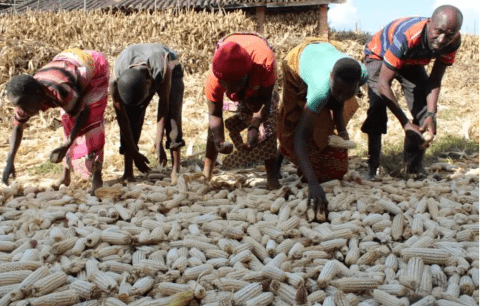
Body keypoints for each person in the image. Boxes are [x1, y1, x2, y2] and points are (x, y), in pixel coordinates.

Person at [361, 5, 463, 179]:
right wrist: (405, 123)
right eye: (438, 32)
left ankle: (413, 168)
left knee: (424, 110)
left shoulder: (453, 42)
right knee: (378, 105)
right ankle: (373, 165)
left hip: (411, 61)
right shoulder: (407, 36)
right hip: (379, 54)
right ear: (429, 23)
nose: (441, 39)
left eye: (449, 35)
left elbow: (435, 80)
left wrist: (430, 113)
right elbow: (383, 84)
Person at [277, 39, 367, 219]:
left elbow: (337, 101)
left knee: (335, 111)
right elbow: (300, 136)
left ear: (357, 85)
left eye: (348, 92)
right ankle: (277, 161)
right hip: (299, 59)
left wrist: (341, 130)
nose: (342, 97)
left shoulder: (362, 74)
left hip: (327, 53)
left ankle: (316, 158)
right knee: (293, 122)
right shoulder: (320, 89)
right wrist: (312, 183)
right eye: (338, 90)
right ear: (331, 78)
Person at [2, 48, 109, 194]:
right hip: (68, 64)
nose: (23, 110)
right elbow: (18, 127)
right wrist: (9, 161)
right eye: (19, 106)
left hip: (93, 67)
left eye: (25, 105)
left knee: (92, 123)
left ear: (38, 94)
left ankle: (97, 175)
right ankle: (65, 176)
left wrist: (68, 143)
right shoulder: (24, 99)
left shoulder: (59, 90)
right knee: (67, 121)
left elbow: (84, 113)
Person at [203, 32, 280, 189]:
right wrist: (219, 139)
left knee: (270, 118)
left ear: (247, 74)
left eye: (235, 84)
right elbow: (214, 113)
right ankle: (206, 173)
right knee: (213, 129)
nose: (230, 90)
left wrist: (254, 125)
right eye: (226, 85)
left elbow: (264, 100)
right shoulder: (214, 79)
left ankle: (272, 178)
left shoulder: (264, 63)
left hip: (257, 91)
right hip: (240, 85)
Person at [110, 43, 185, 183]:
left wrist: (158, 143)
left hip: (171, 68)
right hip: (138, 76)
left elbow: (164, 104)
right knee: (133, 116)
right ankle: (128, 171)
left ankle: (176, 168)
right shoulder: (116, 79)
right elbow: (123, 118)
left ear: (148, 83)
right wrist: (134, 152)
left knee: (173, 116)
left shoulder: (163, 66)